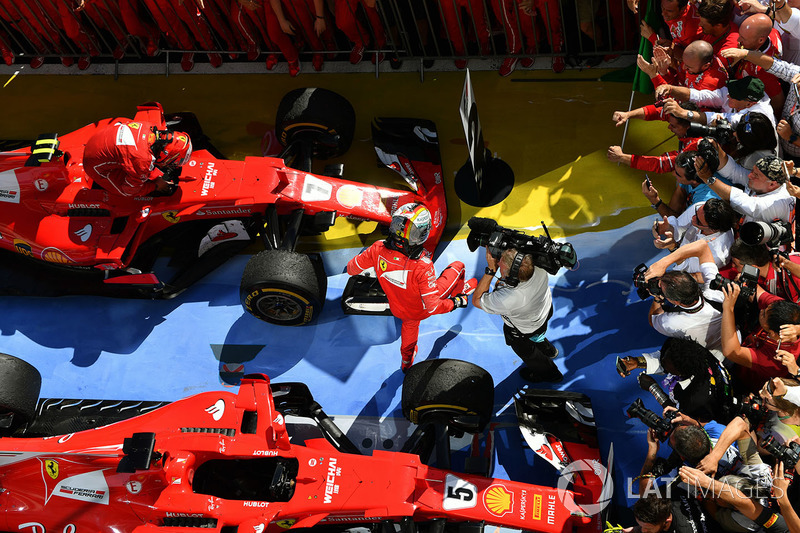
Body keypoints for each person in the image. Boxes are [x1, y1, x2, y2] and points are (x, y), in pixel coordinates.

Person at [346, 203, 474, 372]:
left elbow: (351, 269)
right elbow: (433, 306)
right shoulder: (423, 265)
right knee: (458, 266)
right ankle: (459, 292)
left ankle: (406, 362)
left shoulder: (376, 248)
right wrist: (455, 302)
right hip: (421, 309)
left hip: (398, 308)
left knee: (409, 328)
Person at [472, 246, 562, 383]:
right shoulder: (540, 267)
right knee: (538, 334)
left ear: (511, 275)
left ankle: (550, 374)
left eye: (500, 263)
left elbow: (476, 300)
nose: (497, 261)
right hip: (544, 310)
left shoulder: (507, 299)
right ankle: (549, 350)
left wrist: (491, 270)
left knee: (529, 353)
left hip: (524, 330)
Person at [83, 121, 192, 197]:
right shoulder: (143, 161)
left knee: (138, 166)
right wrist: (155, 186)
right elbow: (129, 190)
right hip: (93, 164)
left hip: (99, 140)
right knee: (125, 192)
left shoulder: (149, 126)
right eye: (174, 162)